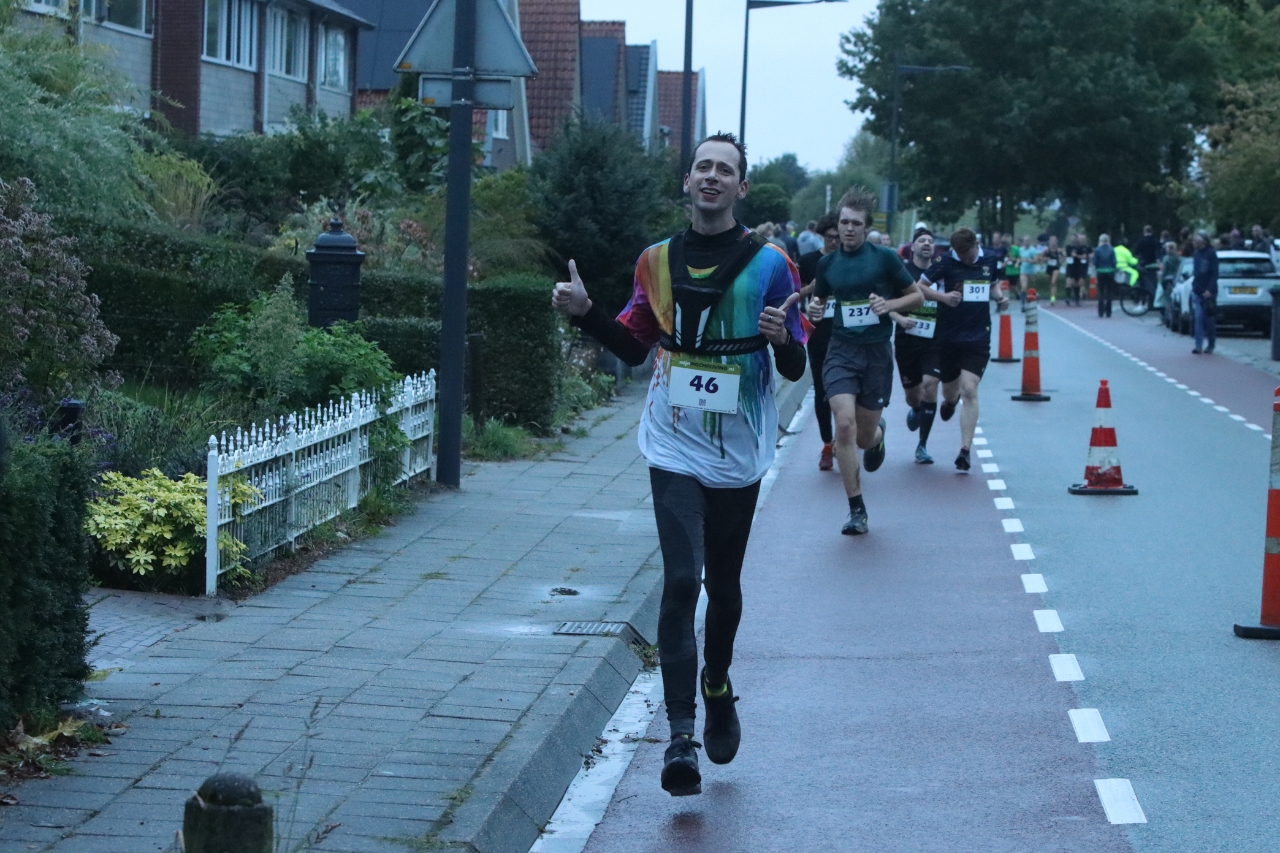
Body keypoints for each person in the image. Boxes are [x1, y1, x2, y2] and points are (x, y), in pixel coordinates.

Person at [551, 132, 808, 797]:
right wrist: (586, 313)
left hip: (739, 446)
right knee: (680, 579)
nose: (712, 176)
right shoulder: (655, 261)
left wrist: (783, 342)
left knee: (723, 584)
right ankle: (680, 736)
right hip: (671, 441)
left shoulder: (773, 265)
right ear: (687, 182)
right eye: (703, 167)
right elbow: (635, 347)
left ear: (741, 187)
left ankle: (717, 683)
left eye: (725, 169)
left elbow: (794, 363)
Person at [806, 187, 922, 535]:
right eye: (844, 222)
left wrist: (890, 305)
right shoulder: (827, 264)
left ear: (866, 227)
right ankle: (857, 509)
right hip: (841, 351)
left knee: (863, 437)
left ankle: (878, 436)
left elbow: (916, 296)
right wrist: (815, 310)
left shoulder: (884, 258)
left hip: (876, 354)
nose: (849, 229)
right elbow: (818, 303)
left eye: (856, 223)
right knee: (844, 425)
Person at [913, 227, 1009, 470]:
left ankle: (965, 451)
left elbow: (993, 285)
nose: (964, 258)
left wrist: (999, 298)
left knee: (970, 390)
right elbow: (919, 286)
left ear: (976, 245)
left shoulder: (989, 259)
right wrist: (943, 298)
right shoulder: (945, 261)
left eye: (967, 254)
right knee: (950, 391)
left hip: (978, 336)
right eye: (960, 254)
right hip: (949, 336)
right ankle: (950, 401)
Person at [888, 227, 941, 464]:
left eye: (930, 241)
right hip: (907, 340)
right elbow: (887, 304)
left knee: (930, 385)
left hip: (935, 341)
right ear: (913, 247)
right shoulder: (903, 272)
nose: (927, 244)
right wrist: (900, 319)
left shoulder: (940, 272)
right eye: (922, 241)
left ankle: (922, 446)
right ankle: (917, 408)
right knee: (913, 397)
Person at [798, 212, 840, 469]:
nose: (834, 241)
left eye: (838, 237)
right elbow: (794, 293)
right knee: (822, 391)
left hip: (846, 335)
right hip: (818, 334)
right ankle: (827, 443)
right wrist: (811, 289)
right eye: (829, 237)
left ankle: (844, 438)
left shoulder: (848, 260)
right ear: (822, 236)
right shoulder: (808, 260)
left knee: (846, 391)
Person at [1191, 230, 1219, 354]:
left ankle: (1211, 344)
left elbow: (1214, 273)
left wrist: (1210, 290)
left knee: (1209, 320)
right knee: (1198, 318)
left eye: (1195, 240)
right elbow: (1196, 272)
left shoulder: (1211, 254)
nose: (1193, 242)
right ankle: (1198, 345)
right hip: (1198, 291)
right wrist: (1195, 286)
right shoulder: (1196, 254)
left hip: (1209, 292)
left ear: (1202, 241)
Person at [1093, 234, 1117, 317]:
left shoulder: (1097, 250)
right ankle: (1108, 311)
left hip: (1100, 272)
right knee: (1109, 292)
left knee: (1101, 291)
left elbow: (1095, 262)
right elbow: (1114, 262)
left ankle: (1100, 311)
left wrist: (1097, 269)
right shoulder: (1112, 250)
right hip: (1110, 272)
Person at [1136, 225, 1162, 299]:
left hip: (1144, 263)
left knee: (1142, 278)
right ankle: (1152, 295)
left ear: (1144, 231)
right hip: (1153, 263)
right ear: (1152, 231)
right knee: (1153, 280)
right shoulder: (1155, 240)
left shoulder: (1141, 240)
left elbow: (1136, 251)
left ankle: (1142, 294)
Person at [1065, 232, 1090, 306]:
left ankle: (1077, 298)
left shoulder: (1081, 248)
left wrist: (1076, 255)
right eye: (1072, 238)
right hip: (1070, 266)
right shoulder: (1068, 247)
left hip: (1078, 266)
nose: (1073, 240)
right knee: (1069, 281)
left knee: (1078, 283)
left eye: (1075, 238)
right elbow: (1066, 254)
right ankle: (1067, 298)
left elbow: (1084, 256)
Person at [1114, 238, 1139, 303]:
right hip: (1124, 267)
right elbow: (1131, 261)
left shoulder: (1114, 249)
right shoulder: (1126, 251)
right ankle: (1131, 286)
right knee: (1135, 273)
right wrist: (1137, 260)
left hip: (1115, 268)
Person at [1158, 240, 1180, 309]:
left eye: (1167, 248)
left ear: (1170, 249)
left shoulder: (1166, 258)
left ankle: (1167, 311)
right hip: (1176, 279)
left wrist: (1161, 280)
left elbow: (1164, 271)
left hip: (1167, 280)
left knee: (1167, 297)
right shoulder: (1178, 258)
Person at [1044, 235, 1063, 304]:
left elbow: (1064, 257)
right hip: (1049, 267)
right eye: (1051, 241)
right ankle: (1052, 296)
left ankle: (1053, 299)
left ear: (1056, 241)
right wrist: (1046, 259)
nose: (1053, 242)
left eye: (1054, 240)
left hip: (1056, 268)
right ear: (1049, 241)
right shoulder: (1047, 250)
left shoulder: (1059, 250)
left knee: (1053, 281)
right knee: (1051, 283)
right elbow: (1040, 257)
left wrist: (1061, 260)